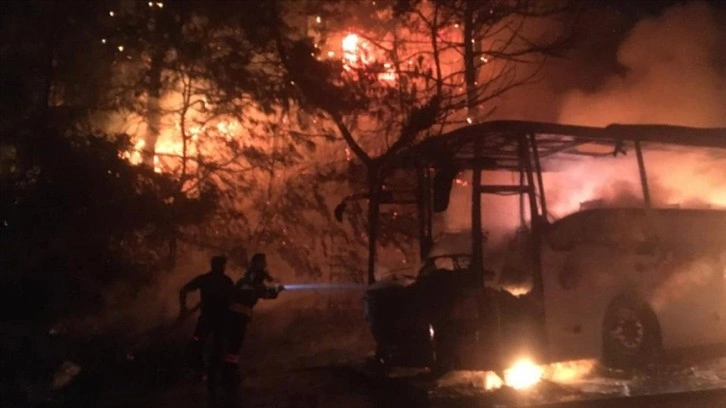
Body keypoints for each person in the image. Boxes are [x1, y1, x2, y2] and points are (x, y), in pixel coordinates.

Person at [221, 253, 283, 388]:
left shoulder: (255, 277)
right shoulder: (251, 278)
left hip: (238, 316)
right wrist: (271, 289)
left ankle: (227, 372)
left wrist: (275, 290)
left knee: (234, 345)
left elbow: (265, 293)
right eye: (262, 262)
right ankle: (228, 374)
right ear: (257, 263)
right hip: (237, 316)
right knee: (233, 345)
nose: (265, 265)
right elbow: (252, 289)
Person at [179, 255, 234, 385]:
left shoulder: (216, 280)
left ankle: (209, 373)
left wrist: (184, 308)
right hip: (211, 319)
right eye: (220, 265)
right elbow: (183, 290)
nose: (221, 268)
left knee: (211, 345)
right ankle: (204, 371)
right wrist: (183, 309)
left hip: (215, 320)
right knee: (201, 343)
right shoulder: (221, 280)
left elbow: (183, 290)